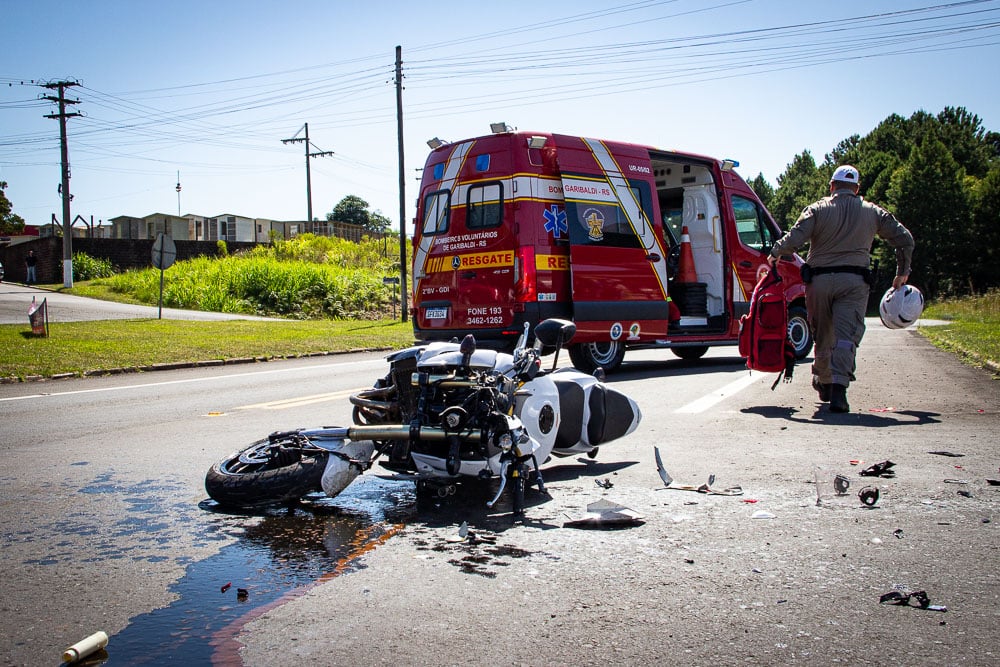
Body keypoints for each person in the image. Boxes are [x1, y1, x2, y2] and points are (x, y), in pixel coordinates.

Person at [768, 165, 914, 413]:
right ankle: (838, 392)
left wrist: (775, 253)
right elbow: (905, 239)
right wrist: (902, 271)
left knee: (822, 334)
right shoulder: (873, 212)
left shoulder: (817, 209)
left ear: (832, 186)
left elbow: (795, 238)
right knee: (846, 338)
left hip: (819, 282)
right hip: (854, 283)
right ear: (857, 189)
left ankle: (823, 381)